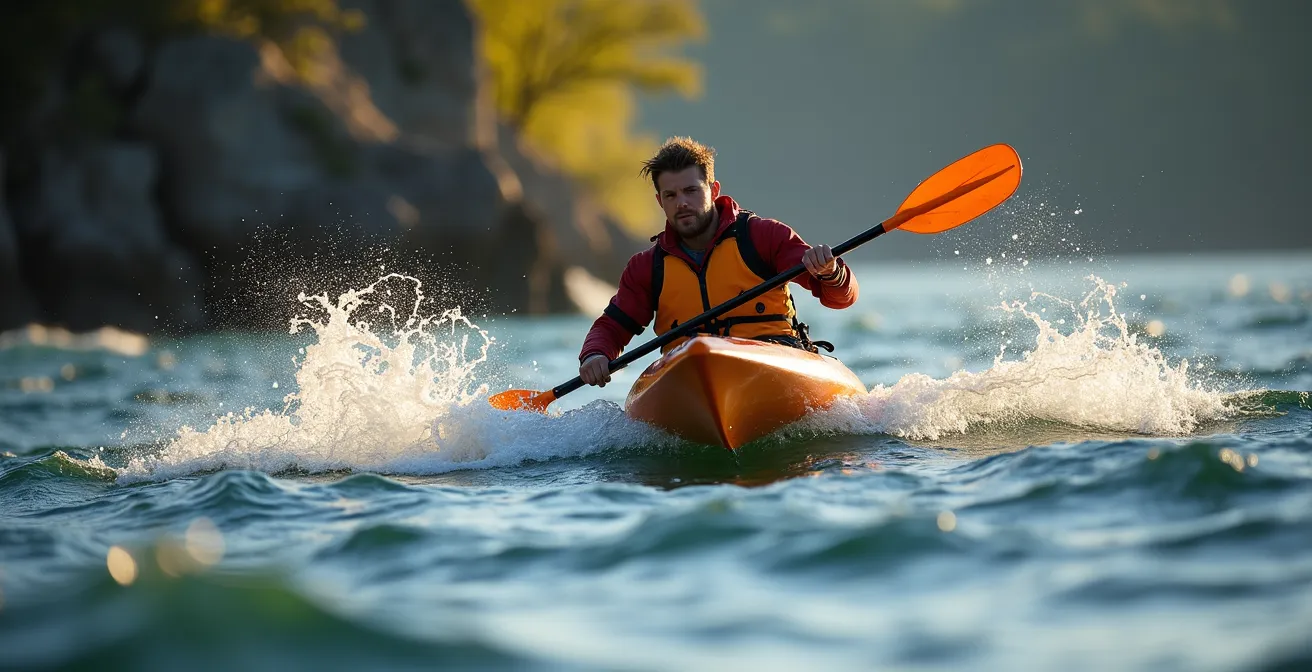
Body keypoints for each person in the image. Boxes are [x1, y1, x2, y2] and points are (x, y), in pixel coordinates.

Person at [579, 137, 859, 387]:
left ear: (713, 191)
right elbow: (612, 327)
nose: (682, 203)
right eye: (671, 195)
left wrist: (831, 272)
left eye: (691, 191)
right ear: (659, 201)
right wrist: (595, 354)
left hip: (772, 355)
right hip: (687, 371)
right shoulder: (646, 267)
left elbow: (840, 298)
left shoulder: (763, 236)